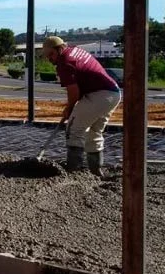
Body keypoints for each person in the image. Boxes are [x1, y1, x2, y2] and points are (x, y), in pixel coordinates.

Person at [42, 36, 121, 175]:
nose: (50, 59)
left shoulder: (64, 63)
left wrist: (69, 108)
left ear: (59, 49)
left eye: (51, 54)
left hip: (99, 94)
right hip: (113, 93)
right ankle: (96, 171)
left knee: (74, 129)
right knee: (93, 132)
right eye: (47, 56)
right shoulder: (74, 50)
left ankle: (73, 172)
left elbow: (74, 92)